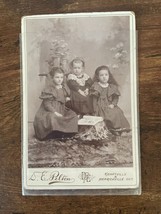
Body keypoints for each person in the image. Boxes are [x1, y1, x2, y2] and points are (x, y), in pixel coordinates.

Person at [33, 67, 78, 140]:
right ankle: (53, 134)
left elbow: (63, 98)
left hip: (61, 109)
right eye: (57, 77)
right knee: (52, 117)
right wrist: (55, 112)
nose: (60, 79)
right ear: (52, 78)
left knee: (73, 115)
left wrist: (66, 99)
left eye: (61, 77)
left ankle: (66, 133)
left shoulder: (63, 88)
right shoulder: (49, 89)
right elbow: (47, 104)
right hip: (50, 110)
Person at [90, 65, 130, 135]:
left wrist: (113, 104)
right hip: (100, 106)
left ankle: (118, 129)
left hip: (109, 104)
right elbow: (94, 99)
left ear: (109, 76)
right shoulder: (96, 86)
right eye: (101, 75)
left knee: (118, 112)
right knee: (108, 114)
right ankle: (111, 129)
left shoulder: (111, 86)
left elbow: (115, 97)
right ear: (98, 77)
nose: (104, 77)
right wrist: (95, 110)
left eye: (106, 75)